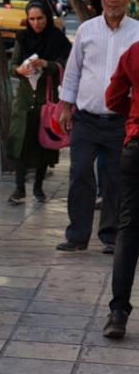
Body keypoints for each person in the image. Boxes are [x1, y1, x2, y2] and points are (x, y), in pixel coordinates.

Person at [57, 0, 139, 254]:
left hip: (121, 122)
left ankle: (110, 235)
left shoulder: (138, 33)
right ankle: (77, 235)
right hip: (86, 119)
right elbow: (73, 70)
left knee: (116, 179)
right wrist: (66, 107)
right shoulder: (87, 30)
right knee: (80, 174)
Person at [6, 0, 72, 205]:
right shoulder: (23, 37)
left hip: (47, 98)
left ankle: (38, 188)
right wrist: (19, 70)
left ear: (47, 17)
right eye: (32, 19)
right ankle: (18, 188)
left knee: (44, 142)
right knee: (20, 141)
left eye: (40, 18)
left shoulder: (57, 39)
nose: (36, 23)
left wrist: (47, 64)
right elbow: (12, 64)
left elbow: (65, 65)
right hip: (24, 99)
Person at [103, 40, 139, 338]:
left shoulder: (135, 52)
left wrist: (133, 114)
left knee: (128, 229)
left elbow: (113, 97)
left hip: (136, 147)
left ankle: (118, 313)